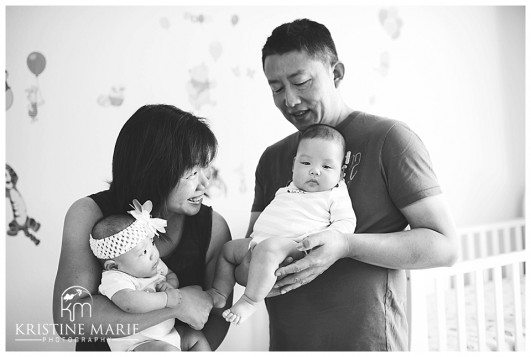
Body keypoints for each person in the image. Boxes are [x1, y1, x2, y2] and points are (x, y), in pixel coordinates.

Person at [243, 18, 458, 351]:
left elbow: (445, 246)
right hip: (287, 343)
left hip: (368, 342)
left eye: (301, 82)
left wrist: (346, 245)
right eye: (276, 88)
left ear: (336, 73)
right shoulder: (273, 158)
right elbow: (249, 259)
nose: (290, 100)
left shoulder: (389, 140)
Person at [53, 104, 232, 351]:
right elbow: (70, 318)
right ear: (154, 171)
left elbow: (214, 318)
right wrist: (176, 304)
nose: (205, 182)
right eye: (192, 172)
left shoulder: (214, 228)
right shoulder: (88, 214)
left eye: (206, 166)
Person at [208, 124, 356, 325]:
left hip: (295, 244)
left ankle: (251, 301)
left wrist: (326, 239)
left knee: (269, 250)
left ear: (341, 173)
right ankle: (219, 292)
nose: (314, 171)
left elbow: (346, 222)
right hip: (259, 242)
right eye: (305, 163)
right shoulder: (289, 187)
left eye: (327, 166)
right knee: (228, 250)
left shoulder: (335, 193)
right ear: (294, 165)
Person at [89, 200, 210, 351]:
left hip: (167, 333)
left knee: (195, 337)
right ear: (114, 265)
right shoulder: (115, 278)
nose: (153, 254)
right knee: (168, 352)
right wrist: (165, 299)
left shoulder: (153, 264)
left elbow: (170, 274)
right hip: (138, 343)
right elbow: (128, 302)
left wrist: (171, 285)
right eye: (143, 252)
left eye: (151, 244)